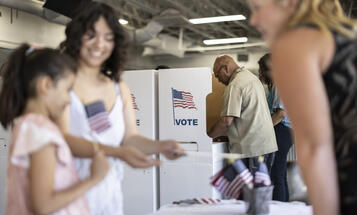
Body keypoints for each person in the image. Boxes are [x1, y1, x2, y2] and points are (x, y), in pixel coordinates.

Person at [59, 2, 185, 215]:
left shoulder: (119, 88)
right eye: (91, 35)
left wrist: (160, 146)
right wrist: (118, 152)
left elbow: (130, 139)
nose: (100, 44)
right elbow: (63, 140)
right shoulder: (60, 83)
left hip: (108, 195)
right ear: (76, 36)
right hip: (68, 195)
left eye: (108, 37)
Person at [249, 0, 357, 214]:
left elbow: (316, 147)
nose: (253, 20)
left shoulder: (294, 44)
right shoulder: (348, 33)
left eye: (258, 8)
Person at [0, 44, 110, 215]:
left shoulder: (27, 125)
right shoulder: (40, 132)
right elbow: (44, 206)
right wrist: (94, 178)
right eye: (67, 90)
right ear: (45, 85)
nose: (69, 100)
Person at [207, 55, 277, 173]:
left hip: (251, 150)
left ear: (226, 68)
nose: (218, 80)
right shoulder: (252, 78)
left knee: (251, 190)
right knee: (262, 189)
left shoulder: (235, 85)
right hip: (267, 147)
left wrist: (207, 137)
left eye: (218, 76)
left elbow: (226, 121)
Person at [258, 53, 293, 202]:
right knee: (280, 174)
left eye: (261, 70)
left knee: (275, 174)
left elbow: (281, 113)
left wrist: (264, 129)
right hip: (286, 131)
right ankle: (284, 207)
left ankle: (279, 208)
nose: (260, 74)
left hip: (282, 129)